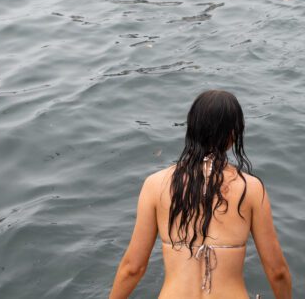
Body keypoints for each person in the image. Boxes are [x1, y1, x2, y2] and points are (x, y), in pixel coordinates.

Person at [109, 89, 292, 299]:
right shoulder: (251, 189)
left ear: (191, 128)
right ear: (234, 133)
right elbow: (277, 272)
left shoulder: (155, 185)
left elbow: (133, 268)